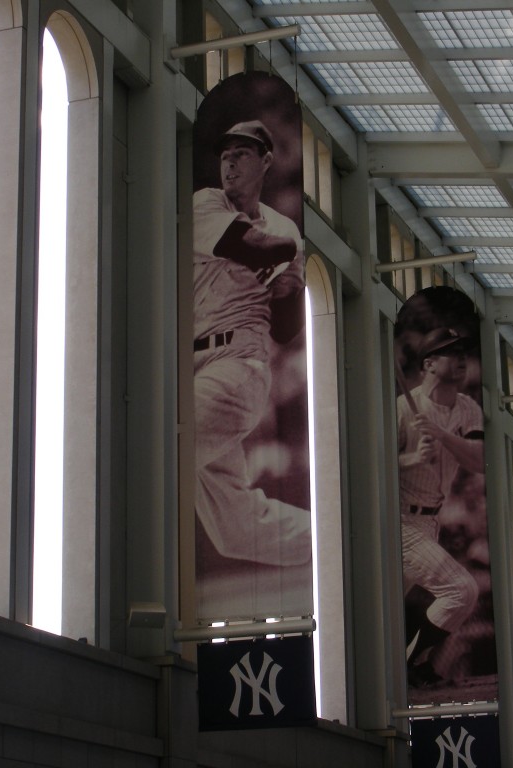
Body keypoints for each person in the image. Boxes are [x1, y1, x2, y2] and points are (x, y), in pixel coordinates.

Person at [192, 120, 310, 567]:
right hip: (193, 368)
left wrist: (292, 291)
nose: (230, 162)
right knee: (237, 530)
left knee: (162, 447)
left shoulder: (283, 226)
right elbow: (258, 248)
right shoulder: (206, 202)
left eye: (242, 153)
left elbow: (284, 330)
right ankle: (335, 542)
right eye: (225, 154)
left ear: (265, 161)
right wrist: (291, 260)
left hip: (236, 367)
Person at [397, 327, 484, 687]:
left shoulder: (467, 407)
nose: (461, 357)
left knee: (380, 613)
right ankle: (410, 665)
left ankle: (400, 670)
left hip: (430, 522)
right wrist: (412, 457)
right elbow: (369, 466)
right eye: (451, 351)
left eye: (463, 349)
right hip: (398, 519)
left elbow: (480, 461)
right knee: (461, 591)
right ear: (429, 363)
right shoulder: (403, 407)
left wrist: (443, 434)